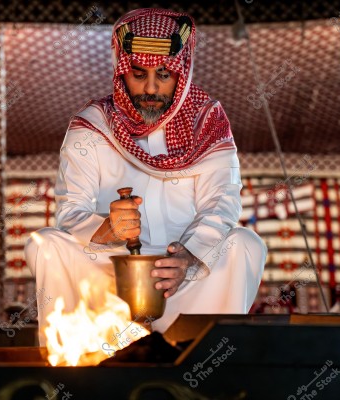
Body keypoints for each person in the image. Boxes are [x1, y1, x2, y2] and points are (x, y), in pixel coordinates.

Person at [25, 8, 267, 345]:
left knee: (245, 245)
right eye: (138, 74)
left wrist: (187, 255)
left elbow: (222, 202)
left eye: (163, 75)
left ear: (181, 72)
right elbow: (69, 213)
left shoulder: (207, 122)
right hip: (111, 274)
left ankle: (208, 357)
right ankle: (80, 365)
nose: (150, 88)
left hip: (187, 277)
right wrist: (107, 228)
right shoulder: (91, 126)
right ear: (121, 70)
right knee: (47, 245)